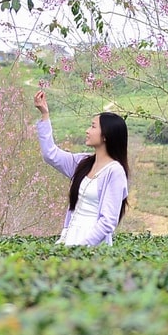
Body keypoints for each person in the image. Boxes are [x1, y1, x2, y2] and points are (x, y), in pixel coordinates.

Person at [33, 89, 129, 245]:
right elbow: (50, 154)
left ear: (106, 135)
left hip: (93, 243)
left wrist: (84, 246)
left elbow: (108, 221)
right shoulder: (82, 163)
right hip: (71, 236)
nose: (87, 130)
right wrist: (44, 114)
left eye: (93, 127)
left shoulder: (115, 171)